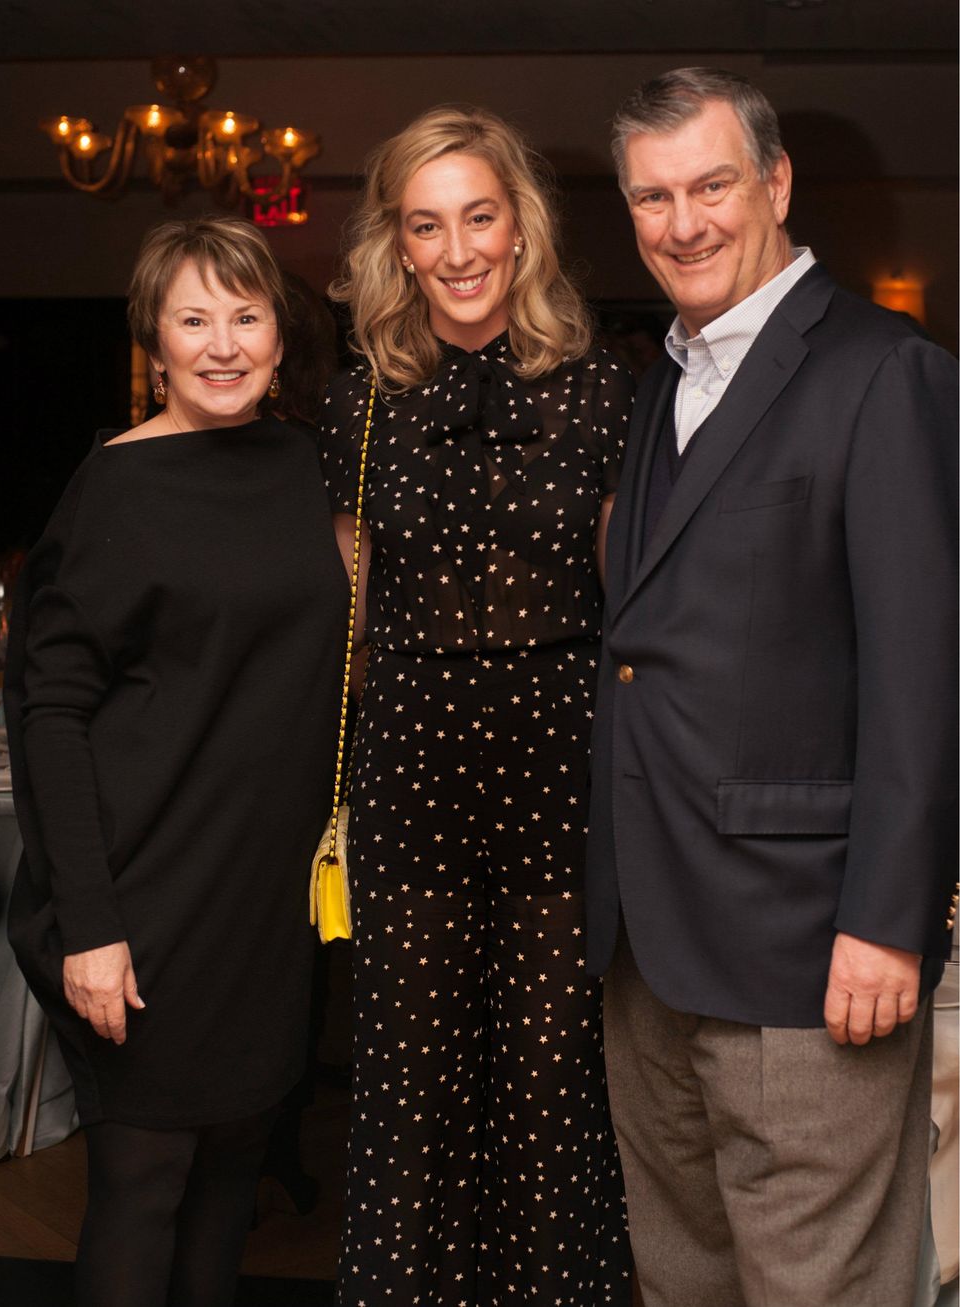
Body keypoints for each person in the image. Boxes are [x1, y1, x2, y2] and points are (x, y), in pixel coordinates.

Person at [586, 66, 958, 1307]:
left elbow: (923, 671)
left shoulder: (880, 370)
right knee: (681, 1281)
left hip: (808, 950)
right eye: (651, 196)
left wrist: (890, 920)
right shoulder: (662, 382)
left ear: (776, 181)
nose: (680, 222)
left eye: (709, 185)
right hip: (649, 948)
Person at [320, 104, 635, 1304]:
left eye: (478, 217)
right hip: (409, 790)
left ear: (520, 228)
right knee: (407, 1103)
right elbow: (348, 626)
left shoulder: (605, 392)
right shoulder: (360, 406)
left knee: (557, 1101)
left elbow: (632, 612)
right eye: (424, 224)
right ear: (397, 245)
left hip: (562, 787)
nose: (455, 249)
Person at [4, 215, 347, 1307]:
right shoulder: (113, 485)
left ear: (281, 338)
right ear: (153, 336)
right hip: (141, 896)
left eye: (246, 316)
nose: (222, 343)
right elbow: (49, 709)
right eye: (193, 318)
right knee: (144, 1179)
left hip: (263, 903)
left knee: (232, 1172)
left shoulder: (312, 468)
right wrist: (91, 922)